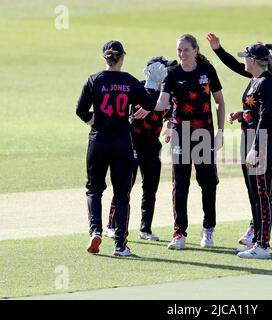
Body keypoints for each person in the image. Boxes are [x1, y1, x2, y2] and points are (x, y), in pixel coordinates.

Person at [207, 34, 272, 250]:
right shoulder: (265, 77)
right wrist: (218, 49)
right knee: (262, 185)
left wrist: (264, 66)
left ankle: (259, 232)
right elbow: (240, 69)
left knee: (266, 185)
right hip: (258, 130)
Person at [134, 34, 225, 250]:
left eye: (186, 50)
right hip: (180, 133)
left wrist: (220, 132)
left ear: (195, 50)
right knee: (180, 184)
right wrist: (147, 103)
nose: (182, 54)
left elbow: (219, 101)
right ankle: (179, 233)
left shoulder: (207, 70)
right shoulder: (172, 74)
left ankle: (208, 229)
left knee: (208, 183)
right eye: (179, 51)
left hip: (203, 133)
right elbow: (163, 102)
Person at [75, 40, 160, 256]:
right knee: (122, 194)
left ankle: (96, 230)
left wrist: (93, 120)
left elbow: (80, 110)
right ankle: (121, 245)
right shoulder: (129, 81)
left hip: (98, 141)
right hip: (122, 142)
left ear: (104, 57)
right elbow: (150, 105)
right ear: (121, 58)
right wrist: (151, 84)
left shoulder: (94, 80)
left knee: (94, 190)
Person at [105, 56, 178, 242]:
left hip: (152, 145)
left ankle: (145, 229)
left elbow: (170, 112)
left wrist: (170, 126)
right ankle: (111, 226)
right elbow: (138, 104)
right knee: (124, 187)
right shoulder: (137, 87)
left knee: (150, 188)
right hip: (131, 143)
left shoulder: (165, 94)